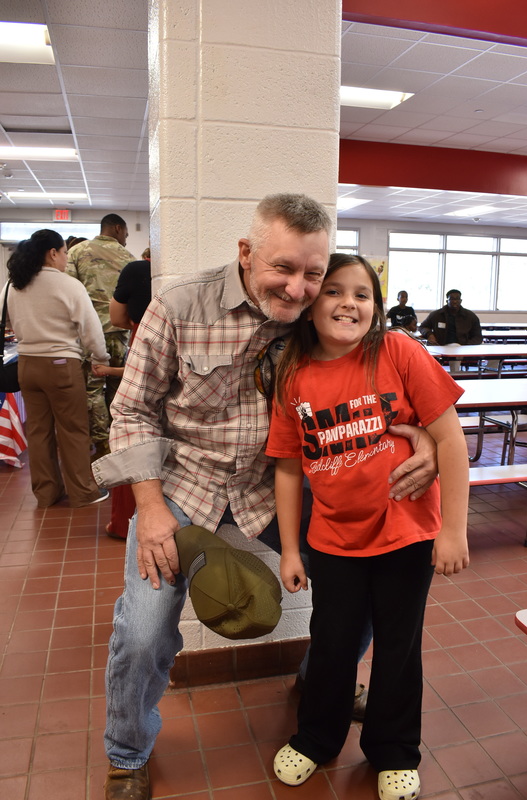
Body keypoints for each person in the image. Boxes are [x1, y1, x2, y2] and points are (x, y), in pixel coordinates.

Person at [91, 195, 439, 800]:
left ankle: (320, 682)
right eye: (284, 268)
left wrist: (429, 445)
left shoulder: (316, 315)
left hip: (270, 488)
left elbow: (385, 381)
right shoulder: (179, 306)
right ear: (246, 254)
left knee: (352, 587)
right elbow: (132, 412)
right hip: (182, 489)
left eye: (313, 273)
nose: (299, 287)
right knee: (145, 632)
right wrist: (148, 507)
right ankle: (127, 753)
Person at [266, 254, 469, 800]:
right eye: (334, 291)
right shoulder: (293, 374)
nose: (348, 303)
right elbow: (287, 467)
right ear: (311, 305)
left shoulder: (398, 351)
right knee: (331, 642)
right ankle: (316, 738)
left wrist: (453, 530)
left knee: (399, 647)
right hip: (333, 541)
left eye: (362, 294)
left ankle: (395, 750)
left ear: (377, 308)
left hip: (406, 535)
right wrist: (289, 549)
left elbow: (449, 440)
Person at [0, 229, 110, 508]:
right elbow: (91, 328)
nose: (65, 259)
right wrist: (101, 357)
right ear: (52, 254)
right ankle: (84, 493)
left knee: (39, 431)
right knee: (73, 430)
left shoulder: (13, 284)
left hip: (26, 365)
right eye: (64, 253)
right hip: (61, 365)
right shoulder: (67, 285)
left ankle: (47, 494)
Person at [67, 213, 135, 460]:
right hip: (121, 333)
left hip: (89, 333)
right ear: (118, 228)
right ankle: (120, 439)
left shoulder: (77, 252)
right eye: (126, 235)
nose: (125, 241)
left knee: (93, 389)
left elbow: (70, 293)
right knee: (119, 387)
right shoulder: (129, 258)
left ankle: (101, 442)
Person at [101, 254, 153, 540]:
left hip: (143, 348)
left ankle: (125, 523)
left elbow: (117, 317)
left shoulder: (135, 270)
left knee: (132, 432)